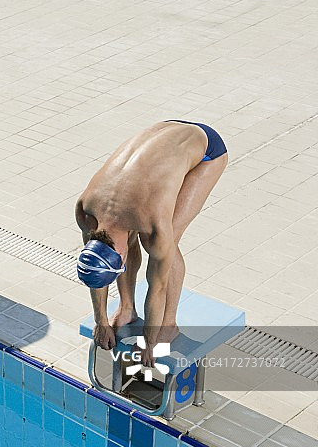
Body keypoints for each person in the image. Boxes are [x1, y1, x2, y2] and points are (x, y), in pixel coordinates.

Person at [75, 120, 228, 367]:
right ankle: (126, 309)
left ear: (121, 259)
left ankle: (169, 325)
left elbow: (157, 287)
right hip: (161, 135)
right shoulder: (87, 211)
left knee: (166, 243)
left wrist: (150, 339)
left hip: (205, 147)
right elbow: (96, 271)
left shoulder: (152, 223)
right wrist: (101, 321)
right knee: (130, 233)